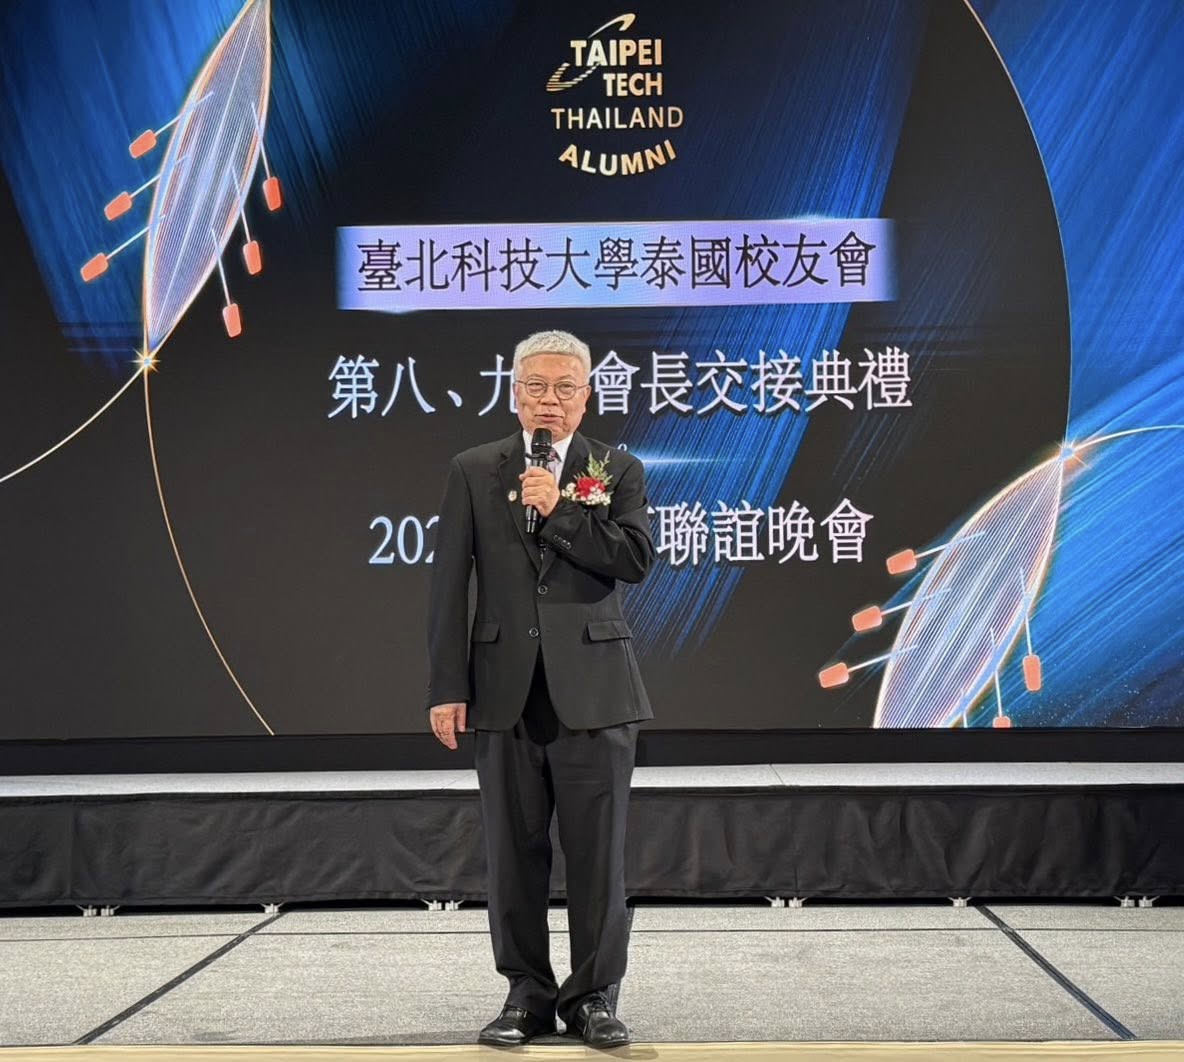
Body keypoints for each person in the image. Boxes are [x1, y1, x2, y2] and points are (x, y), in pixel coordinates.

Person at [426, 329, 654, 1048]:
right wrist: (447, 685)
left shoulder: (617, 468)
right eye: (535, 386)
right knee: (512, 855)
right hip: (504, 691)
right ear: (514, 393)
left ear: (586, 397)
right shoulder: (474, 469)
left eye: (563, 387)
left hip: (596, 693)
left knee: (597, 856)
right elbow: (448, 586)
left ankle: (592, 998)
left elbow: (634, 559)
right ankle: (525, 994)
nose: (548, 400)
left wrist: (561, 511)